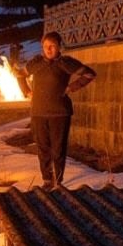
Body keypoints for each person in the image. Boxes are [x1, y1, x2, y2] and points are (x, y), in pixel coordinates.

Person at [18, 31, 96, 190]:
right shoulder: (36, 63)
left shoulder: (66, 63)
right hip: (39, 112)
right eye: (46, 46)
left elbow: (89, 74)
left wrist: (72, 87)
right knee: (42, 147)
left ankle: (58, 180)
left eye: (52, 46)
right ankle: (47, 179)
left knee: (58, 148)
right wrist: (26, 91)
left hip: (60, 112)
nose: (49, 49)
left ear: (59, 47)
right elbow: (20, 75)